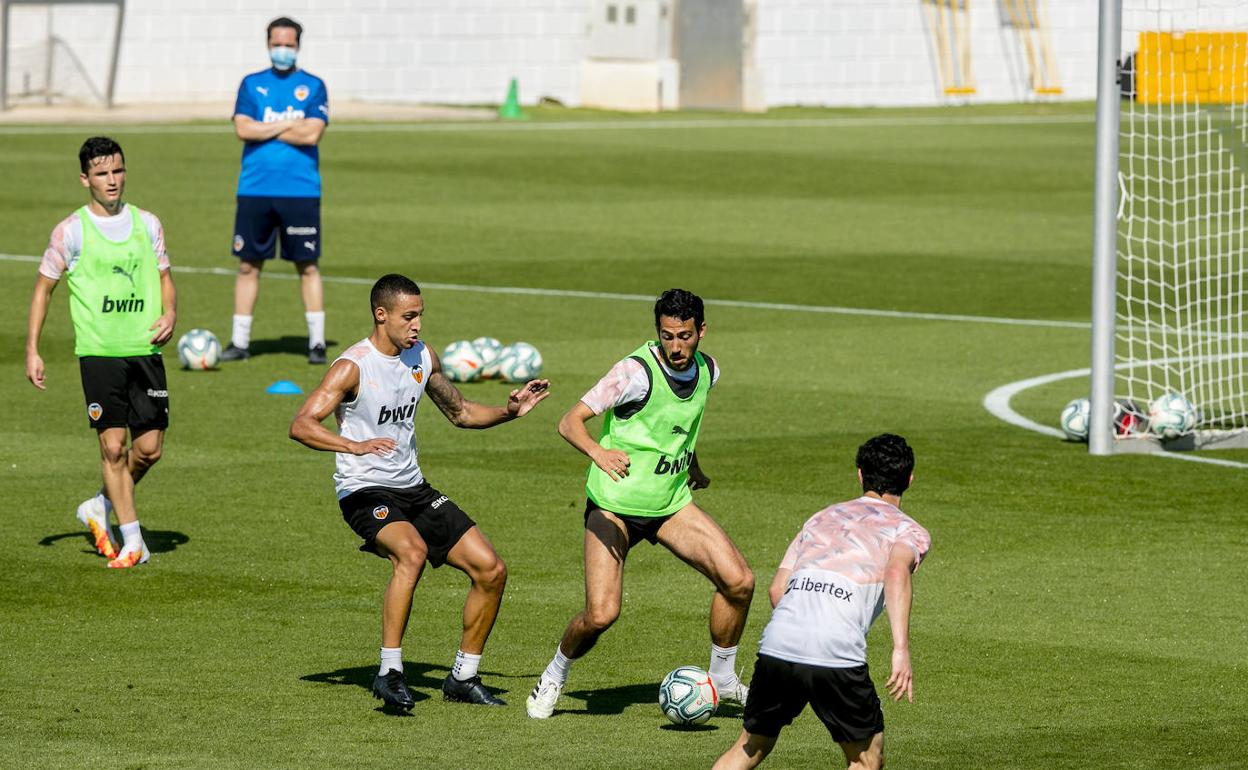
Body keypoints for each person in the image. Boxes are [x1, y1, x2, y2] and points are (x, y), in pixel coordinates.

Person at [289, 273, 550, 712]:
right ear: (381, 314)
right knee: (410, 554)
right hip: (363, 491)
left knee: (491, 570)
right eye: (409, 316)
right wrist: (352, 445)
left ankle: (463, 677)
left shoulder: (422, 357)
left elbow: (461, 412)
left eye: (420, 315)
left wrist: (509, 411)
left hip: (413, 488)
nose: (417, 325)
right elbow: (301, 425)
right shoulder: (352, 366)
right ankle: (389, 672)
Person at [526, 288, 754, 720]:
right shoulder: (633, 373)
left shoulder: (708, 370)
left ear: (702, 331)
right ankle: (555, 672)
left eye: (684, 335)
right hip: (614, 505)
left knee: (739, 581)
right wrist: (599, 453)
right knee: (601, 613)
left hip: (669, 504)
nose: (675, 346)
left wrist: (693, 467)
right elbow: (569, 422)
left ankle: (722, 678)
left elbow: (677, 427)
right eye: (667, 336)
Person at [712, 434, 932, 770]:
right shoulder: (909, 530)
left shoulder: (821, 517)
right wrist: (900, 648)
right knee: (866, 758)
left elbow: (776, 591)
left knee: (750, 746)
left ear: (860, 475)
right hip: (835, 648)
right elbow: (897, 572)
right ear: (910, 480)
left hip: (779, 641)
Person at [25, 136, 177, 569]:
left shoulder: (148, 223)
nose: (112, 181)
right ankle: (133, 542)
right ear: (84, 179)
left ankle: (100, 505)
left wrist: (171, 312)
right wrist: (33, 349)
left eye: (118, 171)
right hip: (99, 352)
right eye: (102, 173)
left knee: (148, 450)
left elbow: (166, 276)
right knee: (113, 448)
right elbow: (43, 289)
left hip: (145, 349)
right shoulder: (71, 231)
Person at [223, 15, 329, 365]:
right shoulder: (251, 84)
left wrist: (264, 126)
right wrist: (289, 122)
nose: (282, 49)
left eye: (288, 43)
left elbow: (311, 134)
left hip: (301, 191)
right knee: (248, 266)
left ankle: (316, 342)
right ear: (268, 44)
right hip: (255, 188)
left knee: (307, 266)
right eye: (276, 43)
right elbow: (243, 129)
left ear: (297, 45)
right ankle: (240, 342)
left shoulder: (314, 86)